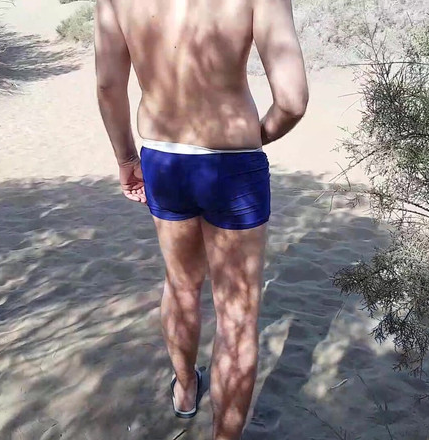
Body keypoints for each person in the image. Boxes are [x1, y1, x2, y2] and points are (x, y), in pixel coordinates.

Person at [94, 0, 308, 437]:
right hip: (233, 163)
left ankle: (186, 389)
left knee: (181, 285)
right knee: (237, 318)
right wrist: (254, 135)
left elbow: (108, 84)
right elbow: (292, 101)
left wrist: (126, 159)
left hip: (164, 158)